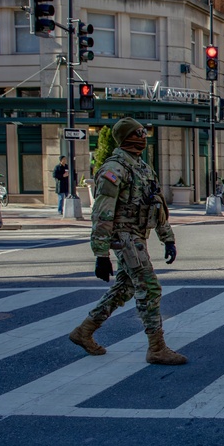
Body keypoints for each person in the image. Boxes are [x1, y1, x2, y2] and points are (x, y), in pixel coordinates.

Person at [68, 118, 187, 365]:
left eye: (144, 134)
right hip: (125, 238)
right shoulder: (114, 169)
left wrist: (168, 238)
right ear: (126, 138)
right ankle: (156, 348)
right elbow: (102, 212)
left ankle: (84, 331)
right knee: (150, 288)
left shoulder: (142, 167)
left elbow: (157, 205)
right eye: (138, 134)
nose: (142, 139)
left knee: (125, 288)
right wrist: (101, 254)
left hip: (138, 235)